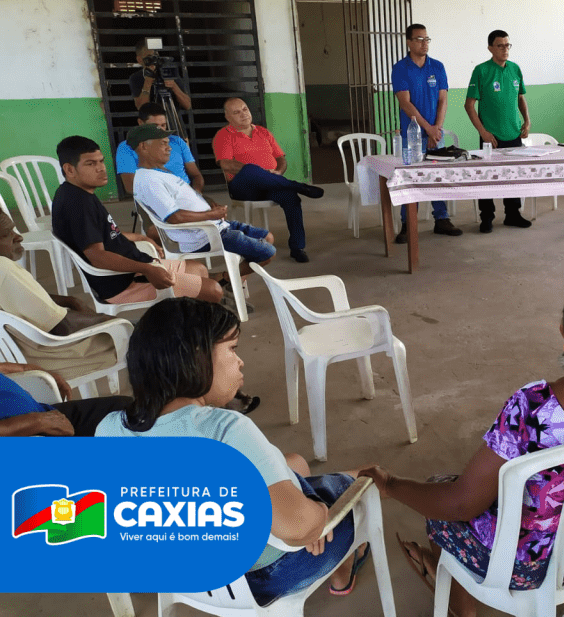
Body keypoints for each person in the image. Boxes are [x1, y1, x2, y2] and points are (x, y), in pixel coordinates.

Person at [358, 278, 564, 617]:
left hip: (522, 567)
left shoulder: (533, 406)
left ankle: (460, 606)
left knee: (441, 492)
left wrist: (390, 484)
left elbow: (461, 505)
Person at [95, 299, 368, 605]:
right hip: (260, 576)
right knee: (358, 487)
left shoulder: (109, 428)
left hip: (178, 572)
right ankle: (347, 558)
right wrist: (317, 515)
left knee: (294, 464)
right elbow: (297, 528)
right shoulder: (226, 429)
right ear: (197, 358)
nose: (240, 362)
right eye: (232, 349)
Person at [51, 136, 222, 307]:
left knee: (199, 270)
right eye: (90, 164)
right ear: (69, 169)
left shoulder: (76, 192)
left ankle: (184, 312)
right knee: (213, 290)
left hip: (134, 267)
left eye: (101, 161)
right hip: (122, 283)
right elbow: (97, 257)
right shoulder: (78, 204)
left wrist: (140, 237)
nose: (101, 168)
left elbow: (105, 235)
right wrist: (146, 269)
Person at [129, 123, 276, 279]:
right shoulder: (149, 180)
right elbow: (174, 217)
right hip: (203, 235)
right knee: (267, 253)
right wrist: (211, 215)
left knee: (267, 237)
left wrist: (209, 206)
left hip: (214, 226)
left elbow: (184, 201)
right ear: (143, 146)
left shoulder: (159, 173)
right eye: (163, 143)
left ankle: (233, 282)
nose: (169, 147)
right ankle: (224, 278)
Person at [0, 208, 118, 382]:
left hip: (10, 356)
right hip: (49, 357)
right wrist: (108, 320)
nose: (18, 237)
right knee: (132, 336)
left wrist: (70, 300)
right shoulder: (4, 269)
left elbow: (21, 296)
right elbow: (62, 325)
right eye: (6, 234)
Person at [213, 98, 325, 263]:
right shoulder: (224, 135)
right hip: (243, 187)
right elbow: (226, 164)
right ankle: (298, 186)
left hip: (269, 184)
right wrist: (259, 171)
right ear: (228, 117)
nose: (243, 114)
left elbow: (280, 158)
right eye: (236, 112)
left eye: (245, 109)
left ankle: (298, 247)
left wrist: (278, 172)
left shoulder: (263, 132)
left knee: (291, 197)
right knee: (250, 169)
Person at [392, 23, 462, 243]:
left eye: (427, 39)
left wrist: (436, 130)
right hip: (412, 135)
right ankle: (407, 224)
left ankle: (441, 219)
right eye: (419, 39)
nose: (424, 44)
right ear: (409, 42)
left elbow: (443, 99)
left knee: (437, 177)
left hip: (435, 135)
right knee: (410, 179)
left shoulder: (437, 67)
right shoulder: (400, 68)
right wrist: (428, 129)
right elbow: (405, 103)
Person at [465, 30, 533, 233]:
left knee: (513, 175)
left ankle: (513, 214)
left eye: (507, 45)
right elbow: (469, 105)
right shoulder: (481, 70)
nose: (505, 49)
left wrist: (527, 120)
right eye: (500, 46)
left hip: (513, 134)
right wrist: (483, 132)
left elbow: (520, 97)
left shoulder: (515, 69)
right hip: (491, 137)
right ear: (490, 48)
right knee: (487, 177)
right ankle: (486, 217)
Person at [0, 369, 130, 436]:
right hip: (28, 431)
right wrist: (37, 421)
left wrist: (24, 368)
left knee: (125, 409)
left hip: (42, 414)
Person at [116, 103, 204, 195]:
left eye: (163, 125)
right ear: (141, 122)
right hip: (154, 197)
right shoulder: (127, 147)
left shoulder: (177, 141)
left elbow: (196, 176)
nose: (161, 130)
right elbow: (130, 187)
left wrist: (196, 194)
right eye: (155, 126)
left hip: (186, 194)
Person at [129, 39, 192, 111]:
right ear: (140, 60)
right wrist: (148, 81)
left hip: (172, 116)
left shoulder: (167, 72)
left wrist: (174, 86)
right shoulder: (136, 77)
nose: (154, 61)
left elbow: (188, 105)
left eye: (156, 56)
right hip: (152, 117)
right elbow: (141, 108)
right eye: (150, 58)